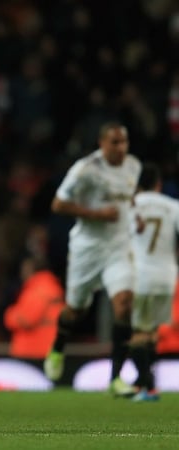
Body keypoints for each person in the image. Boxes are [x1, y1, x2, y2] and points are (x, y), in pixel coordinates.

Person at [43, 122, 141, 397]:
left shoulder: (133, 166)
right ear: (102, 143)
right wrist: (97, 214)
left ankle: (117, 377)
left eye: (124, 142)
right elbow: (58, 204)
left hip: (120, 247)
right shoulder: (85, 169)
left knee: (124, 305)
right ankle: (59, 346)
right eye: (115, 143)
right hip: (87, 249)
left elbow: (130, 201)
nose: (121, 148)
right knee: (75, 310)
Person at [128, 163, 179, 401]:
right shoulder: (172, 206)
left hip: (141, 274)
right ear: (158, 184)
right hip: (167, 275)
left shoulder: (131, 207)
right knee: (153, 332)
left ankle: (145, 386)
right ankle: (149, 385)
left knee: (139, 331)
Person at [3, 256, 64, 359]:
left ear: (32, 269)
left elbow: (26, 319)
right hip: (47, 348)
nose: (22, 273)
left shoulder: (39, 289)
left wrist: (9, 314)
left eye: (24, 269)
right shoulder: (52, 287)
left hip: (34, 351)